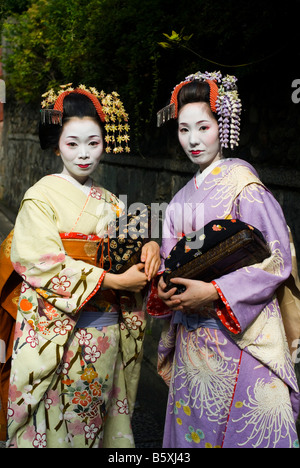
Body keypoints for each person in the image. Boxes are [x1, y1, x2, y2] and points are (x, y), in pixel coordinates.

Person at [0, 84, 160, 448]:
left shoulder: (110, 203)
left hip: (106, 336)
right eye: (72, 143)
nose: (84, 154)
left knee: (96, 424)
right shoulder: (40, 197)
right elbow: (39, 262)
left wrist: (148, 248)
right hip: (59, 335)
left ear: (106, 142)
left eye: (94, 142)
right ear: (57, 144)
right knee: (55, 426)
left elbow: (128, 246)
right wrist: (115, 282)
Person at [147, 71, 300, 448]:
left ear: (223, 125)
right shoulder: (180, 199)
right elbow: (171, 263)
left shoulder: (243, 185)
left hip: (241, 337)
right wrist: (165, 287)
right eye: (184, 130)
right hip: (193, 345)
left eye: (203, 126)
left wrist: (215, 291)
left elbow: (277, 260)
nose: (193, 140)